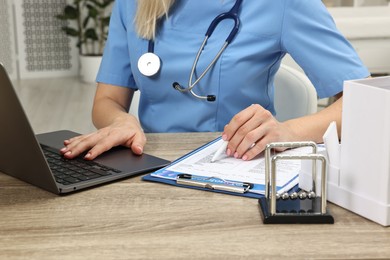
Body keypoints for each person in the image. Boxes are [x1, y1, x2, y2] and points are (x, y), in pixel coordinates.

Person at [61, 0, 369, 161]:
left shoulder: (282, 3)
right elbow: (107, 101)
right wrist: (120, 121)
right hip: (147, 165)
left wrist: (287, 131)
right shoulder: (134, 3)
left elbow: (365, 103)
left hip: (236, 165)